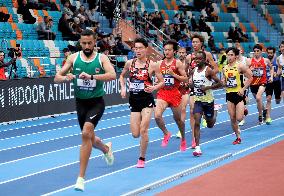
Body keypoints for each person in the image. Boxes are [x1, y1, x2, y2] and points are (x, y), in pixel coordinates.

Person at [54, 30, 115, 192]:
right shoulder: (73, 58)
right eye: (83, 43)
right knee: (89, 137)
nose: (87, 46)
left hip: (96, 103)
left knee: (86, 133)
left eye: (89, 43)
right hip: (81, 103)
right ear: (80, 43)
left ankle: (81, 178)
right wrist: (66, 77)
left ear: (95, 42)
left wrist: (92, 77)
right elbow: (57, 77)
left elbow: (112, 75)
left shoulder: (101, 58)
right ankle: (106, 149)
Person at [119, 38, 164, 168]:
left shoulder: (152, 65)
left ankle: (141, 158)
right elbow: (121, 76)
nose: (137, 50)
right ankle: (141, 154)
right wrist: (123, 88)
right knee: (135, 134)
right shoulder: (129, 63)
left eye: (140, 48)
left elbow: (162, 81)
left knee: (144, 130)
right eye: (135, 48)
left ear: (146, 49)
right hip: (134, 100)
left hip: (146, 101)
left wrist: (154, 88)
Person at [185, 33, 219, 147]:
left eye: (196, 42)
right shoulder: (189, 57)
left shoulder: (207, 54)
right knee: (192, 111)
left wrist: (207, 77)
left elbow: (216, 68)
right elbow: (186, 72)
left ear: (201, 43)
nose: (194, 44)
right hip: (194, 88)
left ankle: (212, 111)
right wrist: (189, 79)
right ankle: (194, 140)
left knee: (209, 121)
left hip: (206, 88)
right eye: (193, 42)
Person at [154, 40, 188, 151]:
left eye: (169, 50)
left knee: (178, 120)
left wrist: (173, 74)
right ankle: (166, 133)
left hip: (174, 93)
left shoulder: (177, 63)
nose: (166, 52)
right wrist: (156, 83)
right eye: (165, 50)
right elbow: (159, 79)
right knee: (157, 116)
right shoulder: (159, 64)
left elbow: (185, 78)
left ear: (174, 51)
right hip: (163, 92)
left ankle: (183, 138)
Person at [190, 50, 222, 156]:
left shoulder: (208, 71)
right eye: (195, 59)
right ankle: (197, 148)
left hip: (208, 101)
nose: (197, 61)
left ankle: (215, 112)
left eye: (199, 59)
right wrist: (189, 85)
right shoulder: (193, 71)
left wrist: (208, 87)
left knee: (210, 124)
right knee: (197, 122)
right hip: (198, 100)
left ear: (204, 60)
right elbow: (191, 84)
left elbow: (220, 83)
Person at [223, 47, 252, 144]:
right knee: (232, 118)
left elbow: (250, 78)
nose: (229, 57)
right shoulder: (225, 68)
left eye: (231, 55)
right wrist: (224, 83)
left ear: (235, 56)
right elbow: (225, 80)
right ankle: (238, 137)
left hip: (239, 94)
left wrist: (243, 89)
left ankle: (243, 109)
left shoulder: (240, 66)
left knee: (239, 118)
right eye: (228, 55)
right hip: (229, 95)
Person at [247, 44, 273, 124]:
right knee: (258, 101)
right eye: (255, 51)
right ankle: (264, 109)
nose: (256, 52)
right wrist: (249, 69)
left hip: (262, 82)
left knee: (258, 97)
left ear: (261, 52)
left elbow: (271, 68)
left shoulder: (265, 60)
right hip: (253, 83)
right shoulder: (249, 61)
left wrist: (271, 76)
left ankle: (260, 115)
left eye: (258, 51)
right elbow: (245, 71)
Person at [176, 47, 191, 141]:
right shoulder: (174, 63)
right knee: (178, 110)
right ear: (177, 53)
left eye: (183, 52)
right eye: (180, 52)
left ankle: (181, 130)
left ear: (186, 54)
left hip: (186, 88)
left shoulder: (188, 64)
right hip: (177, 89)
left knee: (183, 109)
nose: (181, 54)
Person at [265, 47, 282, 124]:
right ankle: (268, 117)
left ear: (274, 53)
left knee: (278, 101)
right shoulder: (265, 61)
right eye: (268, 53)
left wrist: (277, 73)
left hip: (277, 82)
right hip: (268, 82)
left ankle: (280, 96)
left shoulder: (277, 60)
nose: (270, 54)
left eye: (271, 53)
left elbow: (280, 69)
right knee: (268, 99)